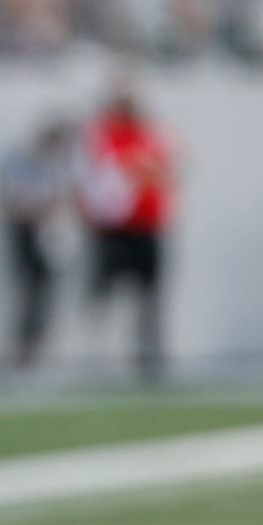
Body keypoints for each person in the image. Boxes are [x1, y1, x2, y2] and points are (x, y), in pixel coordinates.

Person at [78, 83, 174, 379]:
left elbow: (166, 174)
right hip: (115, 230)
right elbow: (91, 180)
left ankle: (149, 357)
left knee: (149, 297)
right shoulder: (103, 139)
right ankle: (95, 355)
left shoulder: (150, 138)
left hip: (147, 228)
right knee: (103, 292)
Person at [0, 119, 77, 368]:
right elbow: (15, 202)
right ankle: (23, 348)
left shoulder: (56, 167)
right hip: (27, 234)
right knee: (29, 292)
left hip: (48, 237)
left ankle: (37, 345)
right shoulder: (21, 164)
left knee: (45, 294)